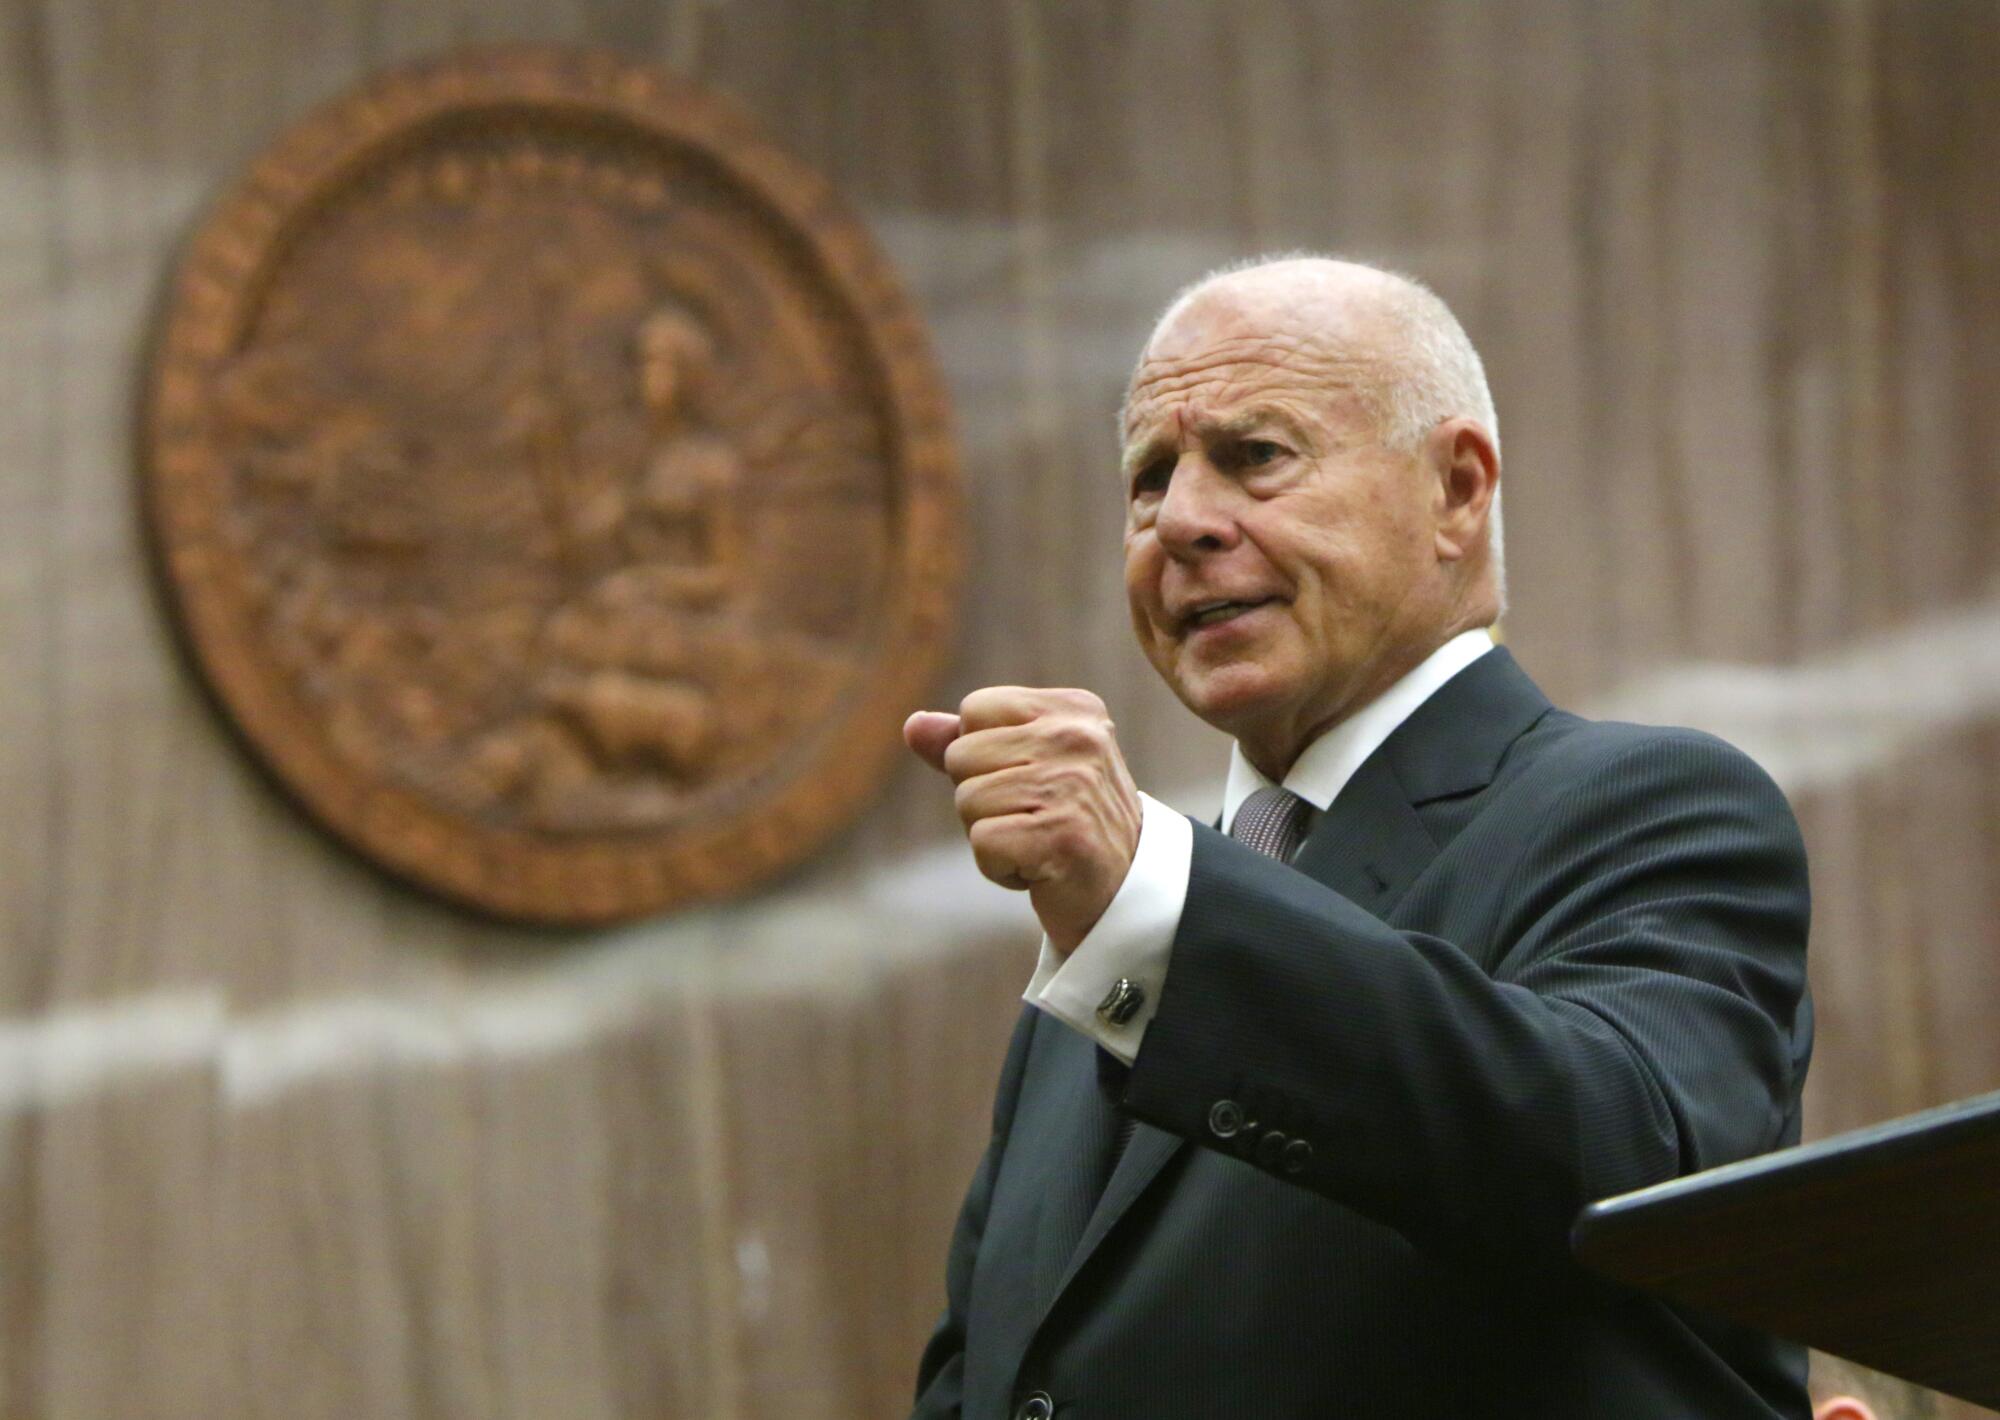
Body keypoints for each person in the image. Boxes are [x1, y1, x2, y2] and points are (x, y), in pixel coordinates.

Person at [903, 256, 1814, 1418]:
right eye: (1147, 477)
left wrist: (1151, 903)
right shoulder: (1109, 951)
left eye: (1254, 457)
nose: (1180, 521)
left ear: (1456, 488)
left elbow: (1617, 1163)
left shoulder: (1654, 808)